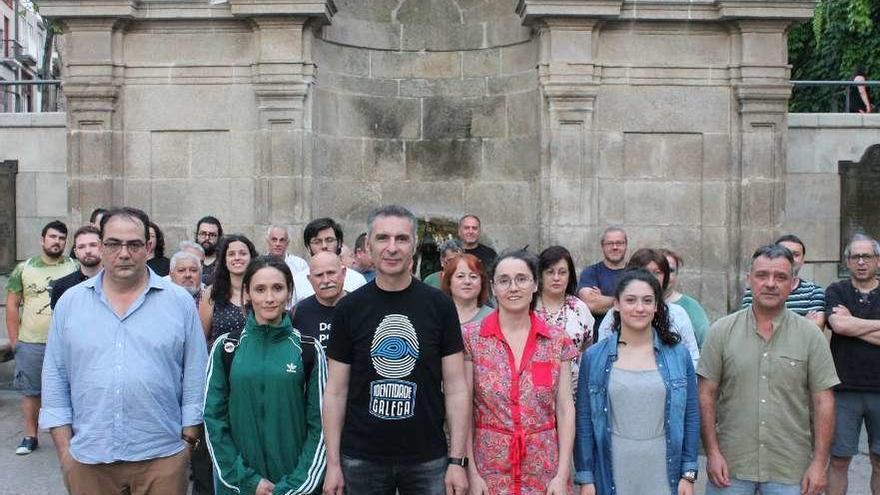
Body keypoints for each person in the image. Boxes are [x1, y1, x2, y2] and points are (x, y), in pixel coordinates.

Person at [40, 207, 208, 494]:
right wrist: (65, 452)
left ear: (148, 247)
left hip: (162, 456)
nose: (124, 252)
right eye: (114, 243)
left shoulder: (178, 303)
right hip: (88, 459)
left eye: (134, 244)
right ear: (102, 246)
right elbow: (55, 375)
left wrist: (187, 444)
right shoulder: (71, 303)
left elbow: (195, 373)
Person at [323, 205, 470, 495]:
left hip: (428, 459)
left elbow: (456, 387)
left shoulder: (440, 306)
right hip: (361, 458)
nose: (392, 248)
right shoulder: (348, 309)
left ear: (414, 245)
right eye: (383, 238)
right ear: (368, 245)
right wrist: (333, 464)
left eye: (401, 239)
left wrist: (457, 460)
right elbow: (336, 391)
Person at [699, 244, 839, 495]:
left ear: (793, 283)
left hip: (789, 468)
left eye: (781, 277)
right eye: (762, 275)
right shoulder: (721, 331)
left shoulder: (810, 336)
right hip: (731, 466)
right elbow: (705, 394)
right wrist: (712, 453)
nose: (771, 283)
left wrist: (819, 464)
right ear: (749, 279)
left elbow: (823, 402)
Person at [204, 255, 327, 495]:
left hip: (294, 486)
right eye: (260, 289)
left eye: (277, 288)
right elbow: (213, 420)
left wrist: (295, 485)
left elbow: (320, 426)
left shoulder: (309, 349)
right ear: (247, 293)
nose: (269, 298)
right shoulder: (226, 347)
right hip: (238, 487)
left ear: (289, 293)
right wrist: (247, 481)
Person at [575, 268, 699, 495]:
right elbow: (584, 422)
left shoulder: (678, 355)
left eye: (647, 300)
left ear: (656, 306)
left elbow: (691, 415)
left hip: (664, 470)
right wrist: (586, 478)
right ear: (617, 304)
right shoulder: (594, 357)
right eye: (630, 300)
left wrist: (688, 474)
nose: (639, 308)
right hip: (611, 471)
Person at [464, 249, 576, 494]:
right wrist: (471, 471)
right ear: (493, 287)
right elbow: (464, 409)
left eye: (522, 279)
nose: (513, 288)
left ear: (535, 284)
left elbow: (565, 408)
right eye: (504, 281)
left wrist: (562, 473)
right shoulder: (472, 339)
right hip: (489, 467)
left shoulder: (556, 340)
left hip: (544, 468)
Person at [5, 219, 77, 455]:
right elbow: (13, 305)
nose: (57, 242)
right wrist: (16, 341)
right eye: (53, 237)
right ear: (42, 240)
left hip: (68, 343)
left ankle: (74, 435)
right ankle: (30, 435)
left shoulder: (74, 266)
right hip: (32, 342)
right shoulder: (24, 269)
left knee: (73, 389)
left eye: (61, 238)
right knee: (31, 391)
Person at [825, 233, 880, 495]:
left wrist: (852, 325)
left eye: (866, 256)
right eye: (855, 256)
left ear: (877, 261)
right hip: (843, 389)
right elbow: (838, 325)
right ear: (847, 261)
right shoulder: (837, 290)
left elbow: (847, 325)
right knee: (838, 459)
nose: (861, 262)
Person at [596, 248, 700, 368]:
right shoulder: (614, 314)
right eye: (645, 271)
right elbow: (601, 357)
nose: (651, 277)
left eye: (657, 272)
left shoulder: (678, 314)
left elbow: (693, 358)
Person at [535, 245, 595, 391]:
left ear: (570, 276)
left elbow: (587, 349)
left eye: (562, 272)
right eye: (550, 272)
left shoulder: (580, 308)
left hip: (574, 389)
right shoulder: (528, 306)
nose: (556, 278)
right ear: (540, 275)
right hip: (533, 391)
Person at [741, 234, 825, 329]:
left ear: (803, 260)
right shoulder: (753, 290)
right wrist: (803, 322)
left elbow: (814, 330)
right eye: (784, 252)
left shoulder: (814, 292)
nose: (790, 258)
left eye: (796, 254)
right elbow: (747, 327)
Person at [199, 235, 257, 348]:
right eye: (231, 254)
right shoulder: (211, 293)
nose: (237, 258)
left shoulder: (261, 292)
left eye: (243, 253)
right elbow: (201, 338)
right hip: (220, 362)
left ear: (251, 258)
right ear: (224, 261)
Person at [293, 217, 366, 303]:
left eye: (329, 240)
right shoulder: (297, 282)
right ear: (308, 247)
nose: (324, 246)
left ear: (339, 243)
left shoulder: (357, 280)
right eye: (317, 242)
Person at [291, 251, 347, 349]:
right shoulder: (298, 313)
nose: (326, 280)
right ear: (309, 279)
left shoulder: (360, 307)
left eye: (331, 273)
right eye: (319, 275)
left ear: (343, 273)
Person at [577, 226, 628, 334]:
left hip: (630, 337)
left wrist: (603, 299)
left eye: (619, 243)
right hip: (599, 341)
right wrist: (628, 300)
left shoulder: (634, 273)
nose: (615, 247)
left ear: (626, 245)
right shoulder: (591, 272)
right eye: (609, 243)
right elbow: (591, 304)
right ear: (602, 246)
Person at [661, 249, 711, 348]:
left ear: (676, 275)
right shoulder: (642, 307)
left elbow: (706, 345)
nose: (665, 275)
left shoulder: (691, 306)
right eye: (660, 270)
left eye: (670, 271)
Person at [50, 225, 102, 310]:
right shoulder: (62, 286)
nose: (88, 251)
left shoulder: (117, 284)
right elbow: (58, 321)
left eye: (93, 245)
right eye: (81, 247)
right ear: (76, 252)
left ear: (103, 248)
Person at [440, 253, 492, 334]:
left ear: (482, 282)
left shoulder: (493, 318)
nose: (467, 281)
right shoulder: (436, 316)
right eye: (460, 276)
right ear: (449, 281)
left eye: (473, 276)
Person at [195, 215, 224, 284]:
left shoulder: (224, 261)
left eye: (212, 235)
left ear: (219, 237)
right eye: (203, 234)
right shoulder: (187, 257)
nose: (207, 238)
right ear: (197, 235)